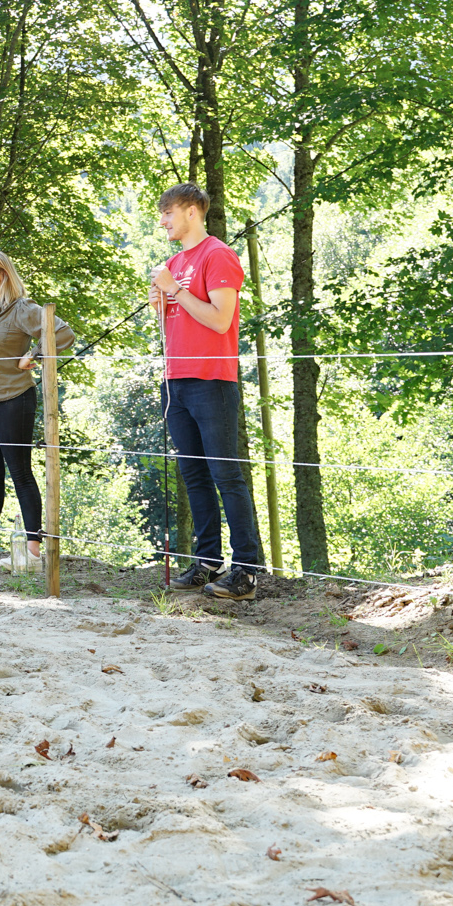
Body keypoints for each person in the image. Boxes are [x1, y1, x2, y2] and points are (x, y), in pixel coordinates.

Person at [150, 182, 262, 600]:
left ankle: (246, 572)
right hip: (175, 382)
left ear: (192, 211)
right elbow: (170, 320)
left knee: (226, 475)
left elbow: (219, 320)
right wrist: (158, 297)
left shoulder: (218, 255)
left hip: (212, 381)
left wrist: (175, 289)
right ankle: (207, 562)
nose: (162, 221)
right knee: (193, 474)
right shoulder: (174, 260)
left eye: (168, 213)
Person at [0, 249, 75, 572]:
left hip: (13, 400)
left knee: (20, 473)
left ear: (3, 275)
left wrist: (34, 355)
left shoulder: (21, 309)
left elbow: (62, 333)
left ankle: (33, 555)